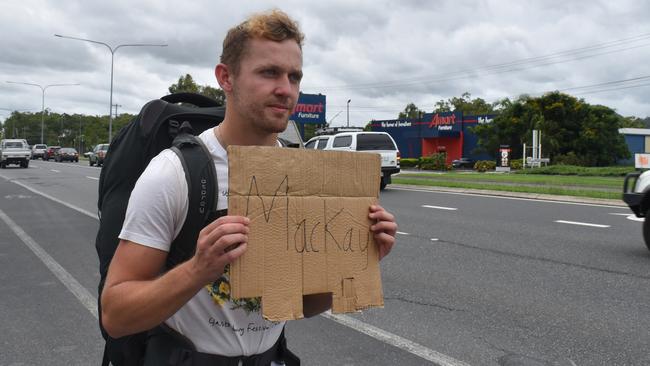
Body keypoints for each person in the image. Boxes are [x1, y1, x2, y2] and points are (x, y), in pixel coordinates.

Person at [100, 9, 398, 365]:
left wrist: (355, 261)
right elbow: (115, 317)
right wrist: (198, 270)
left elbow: (303, 304)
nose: (285, 89)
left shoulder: (299, 172)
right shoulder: (175, 173)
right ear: (226, 78)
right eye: (269, 72)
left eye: (294, 76)